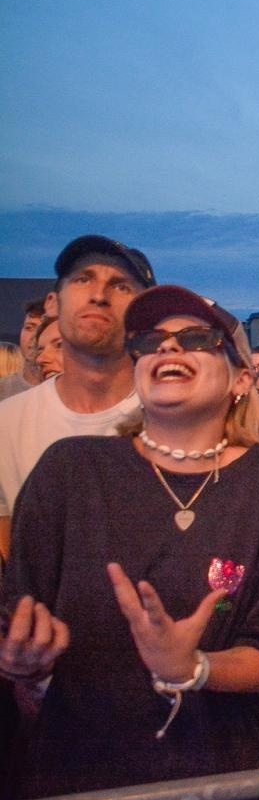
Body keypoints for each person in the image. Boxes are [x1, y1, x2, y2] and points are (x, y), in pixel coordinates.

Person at [0, 285, 259, 800]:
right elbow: (19, 615)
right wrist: (23, 663)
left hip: (222, 785)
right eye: (150, 343)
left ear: (237, 379)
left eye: (195, 340)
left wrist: (193, 668)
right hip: (82, 778)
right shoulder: (71, 469)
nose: (168, 347)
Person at [0, 235, 156, 560]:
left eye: (121, 286)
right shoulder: (8, 422)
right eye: (83, 280)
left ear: (143, 311)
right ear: (53, 303)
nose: (99, 295)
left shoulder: (174, 416)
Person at [0, 297, 45, 400]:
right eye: (29, 328)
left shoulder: (77, 392)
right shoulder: (2, 390)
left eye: (43, 328)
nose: (34, 336)